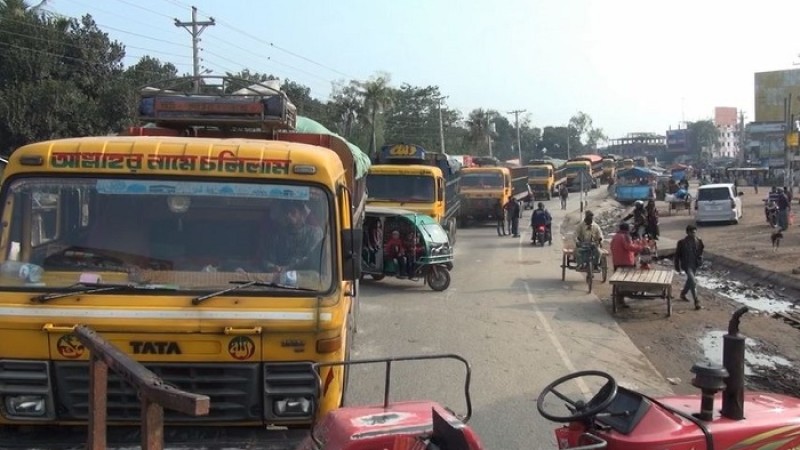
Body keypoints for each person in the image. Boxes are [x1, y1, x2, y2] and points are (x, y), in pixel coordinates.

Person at [262, 202, 325, 275]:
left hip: (304, 278)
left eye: (293, 212)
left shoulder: (314, 234)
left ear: (302, 214)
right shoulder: (276, 235)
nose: (288, 216)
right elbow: (266, 259)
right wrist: (271, 267)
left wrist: (286, 269)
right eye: (286, 212)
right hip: (277, 278)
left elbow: (311, 260)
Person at [609, 223, 647, 309]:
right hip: (626, 262)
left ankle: (619, 299)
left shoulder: (615, 236)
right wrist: (641, 248)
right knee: (628, 281)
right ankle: (628, 294)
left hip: (616, 262)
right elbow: (629, 246)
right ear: (627, 229)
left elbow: (611, 247)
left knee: (618, 281)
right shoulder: (625, 236)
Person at [674, 224, 705, 310]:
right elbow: (677, 255)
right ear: (687, 233)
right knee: (693, 281)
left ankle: (683, 294)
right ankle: (696, 302)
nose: (693, 234)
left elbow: (701, 251)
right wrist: (677, 267)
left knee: (690, 281)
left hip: (694, 264)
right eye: (691, 232)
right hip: (686, 265)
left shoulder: (699, 241)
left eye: (694, 232)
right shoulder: (682, 243)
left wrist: (700, 259)